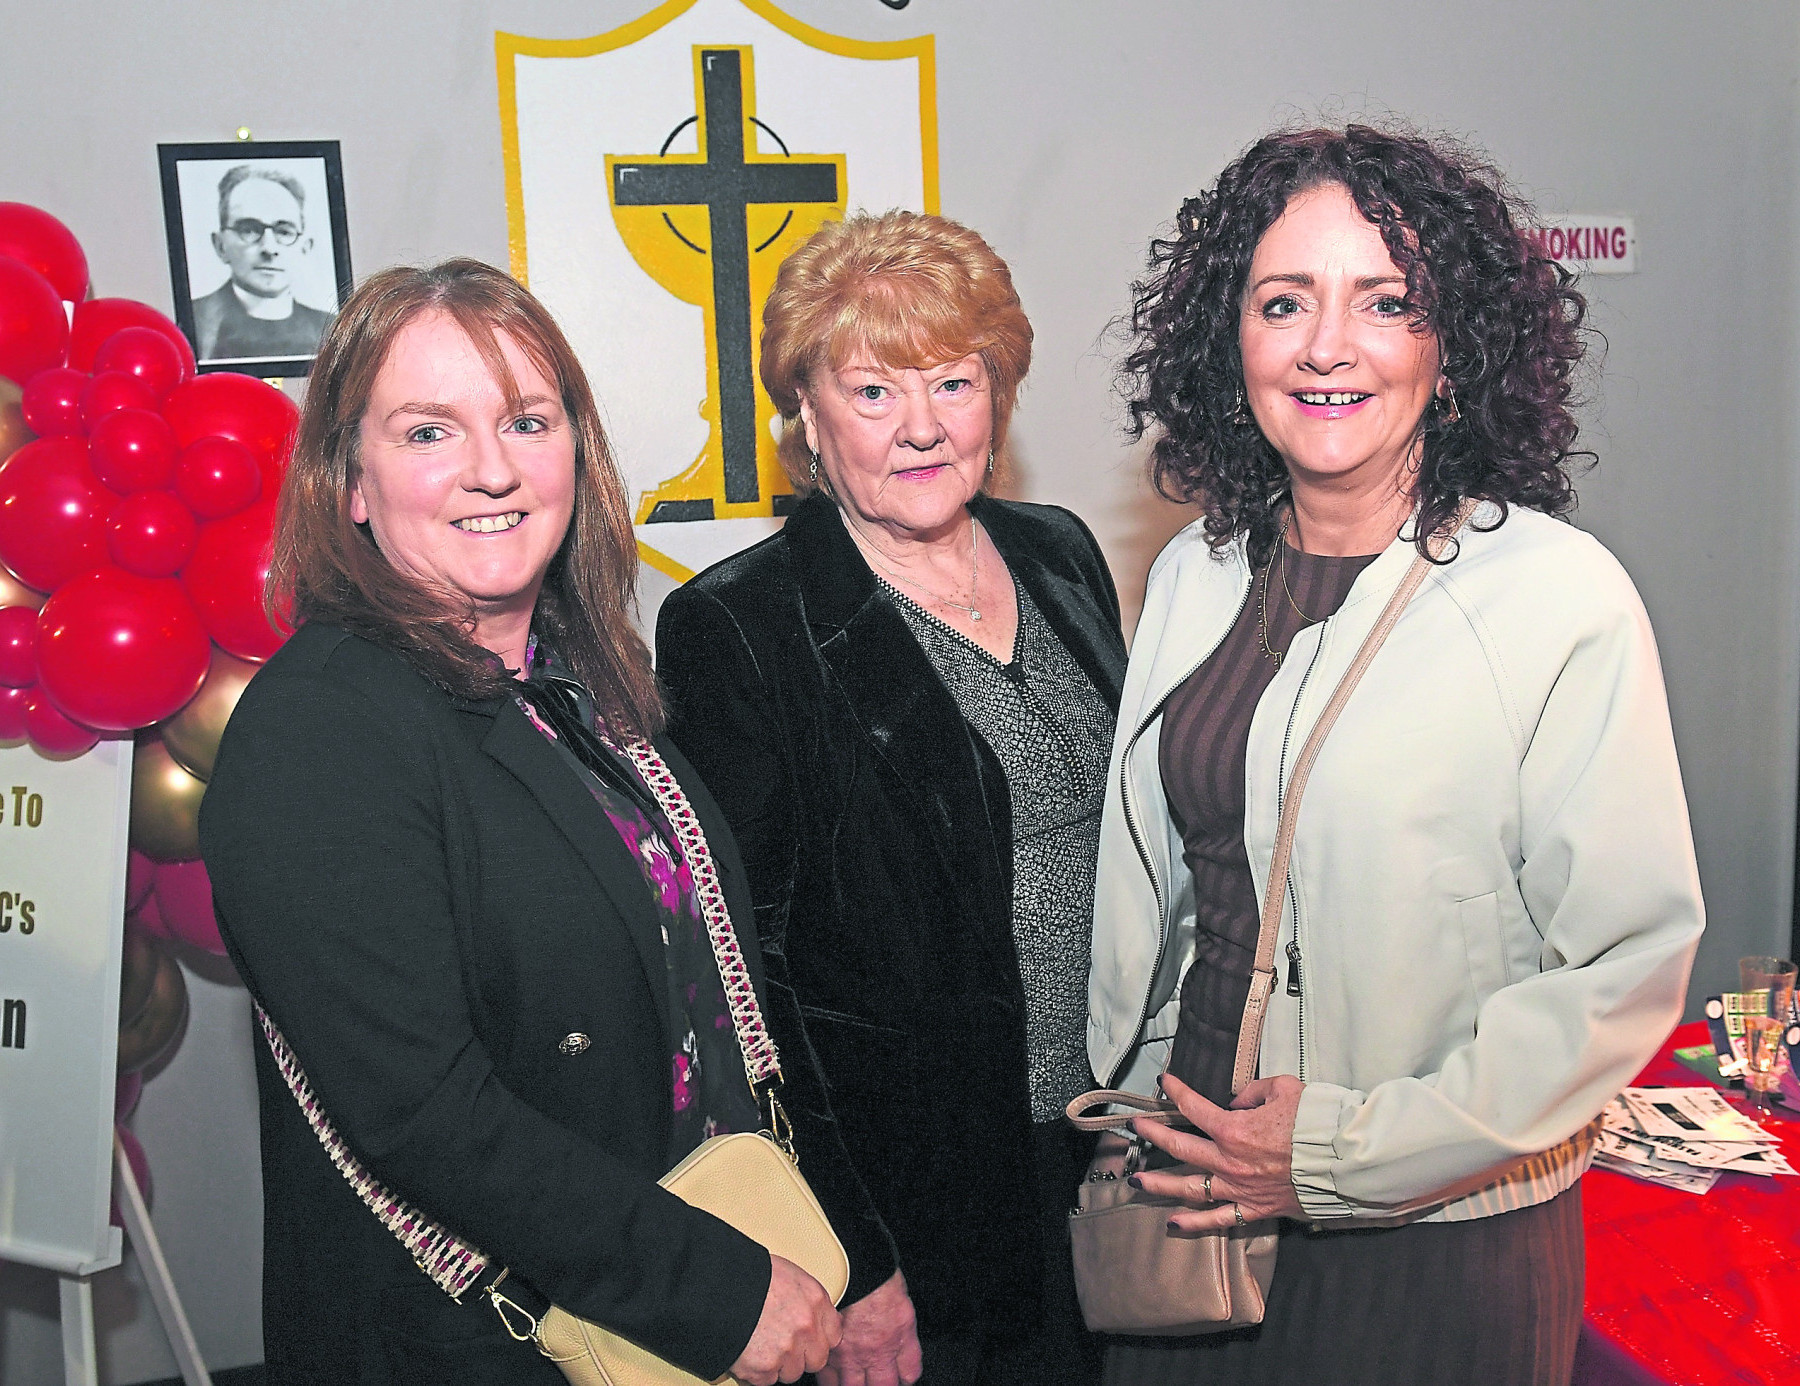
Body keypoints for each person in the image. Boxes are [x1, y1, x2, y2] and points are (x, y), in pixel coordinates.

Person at [1089, 125, 1704, 1385]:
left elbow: (1624, 966)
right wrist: (1142, 1096)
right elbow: (1183, 889)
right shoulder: (1198, 571)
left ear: (1452, 343)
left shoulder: (1555, 596)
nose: (1328, 345)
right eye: (1284, 302)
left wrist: (1338, 1157)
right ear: (1230, 340)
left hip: (1432, 1237)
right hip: (1191, 1199)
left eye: (1386, 302)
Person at [199, 259, 847, 1386]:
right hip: (481, 1342)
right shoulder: (317, 729)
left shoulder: (574, 681)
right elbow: (424, 1114)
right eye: (428, 432)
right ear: (351, 483)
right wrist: (717, 1293)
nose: (492, 469)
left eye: (527, 421)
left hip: (665, 1284)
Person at [656, 211, 1126, 1386]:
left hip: (1115, 1147)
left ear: (997, 397)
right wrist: (852, 1261)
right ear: (807, 417)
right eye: (873, 391)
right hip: (923, 1199)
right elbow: (743, 981)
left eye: (953, 382)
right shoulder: (739, 626)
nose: (923, 426)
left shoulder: (1060, 553)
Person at [191, 164, 334, 364]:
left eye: (284, 232)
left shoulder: (331, 328)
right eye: (249, 230)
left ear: (305, 247)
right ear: (220, 245)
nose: (269, 248)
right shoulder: (194, 321)